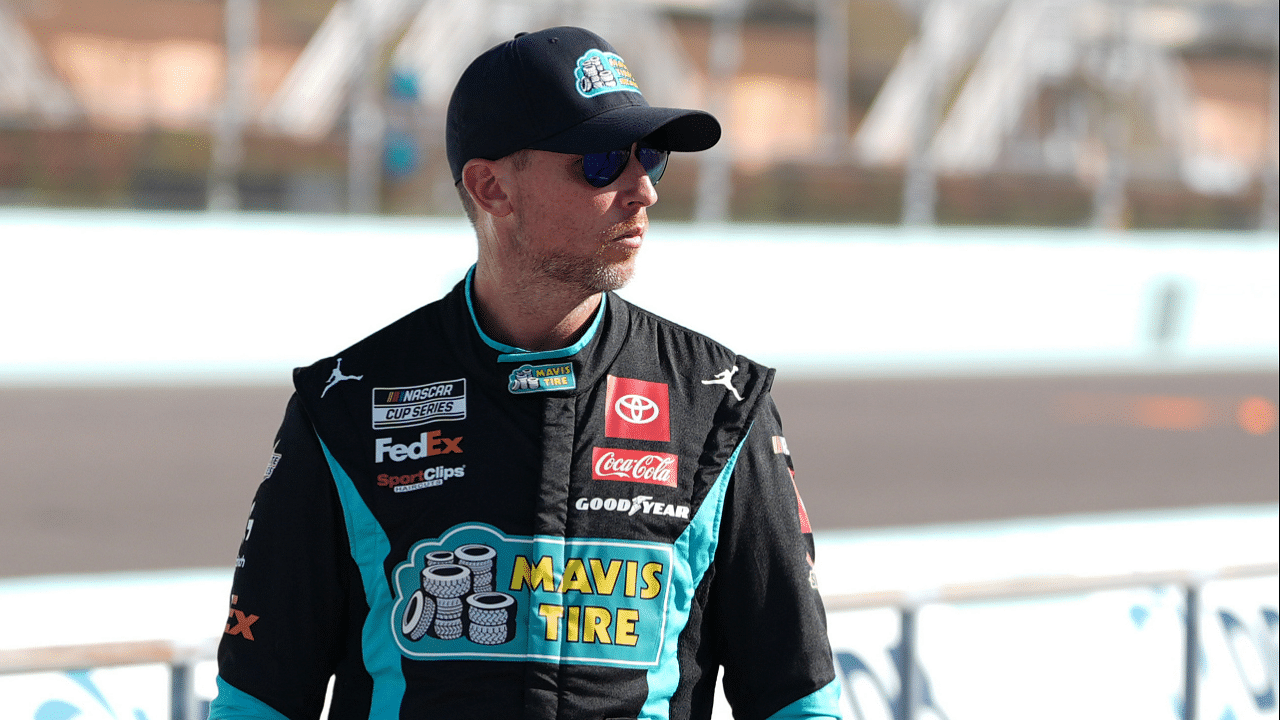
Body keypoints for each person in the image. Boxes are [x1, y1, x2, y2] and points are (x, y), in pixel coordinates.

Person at [210, 26, 840, 720]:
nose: (641, 191)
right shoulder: (348, 405)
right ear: (492, 188)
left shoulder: (719, 403)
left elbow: (798, 699)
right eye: (600, 162)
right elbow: (258, 699)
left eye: (650, 157)